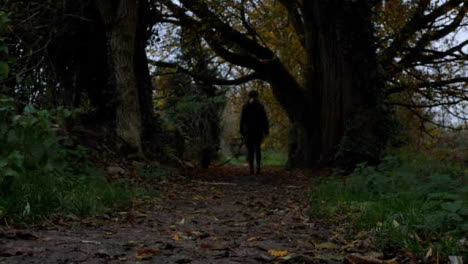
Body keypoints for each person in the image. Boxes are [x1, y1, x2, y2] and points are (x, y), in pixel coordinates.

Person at [240, 90, 269, 175]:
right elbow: (265, 119)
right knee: (258, 149)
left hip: (248, 131)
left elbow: (242, 120)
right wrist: (266, 130)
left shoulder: (245, 106)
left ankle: (251, 168)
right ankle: (258, 168)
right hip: (258, 131)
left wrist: (241, 130)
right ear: (257, 96)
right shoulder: (260, 106)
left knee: (250, 150)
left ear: (249, 96)